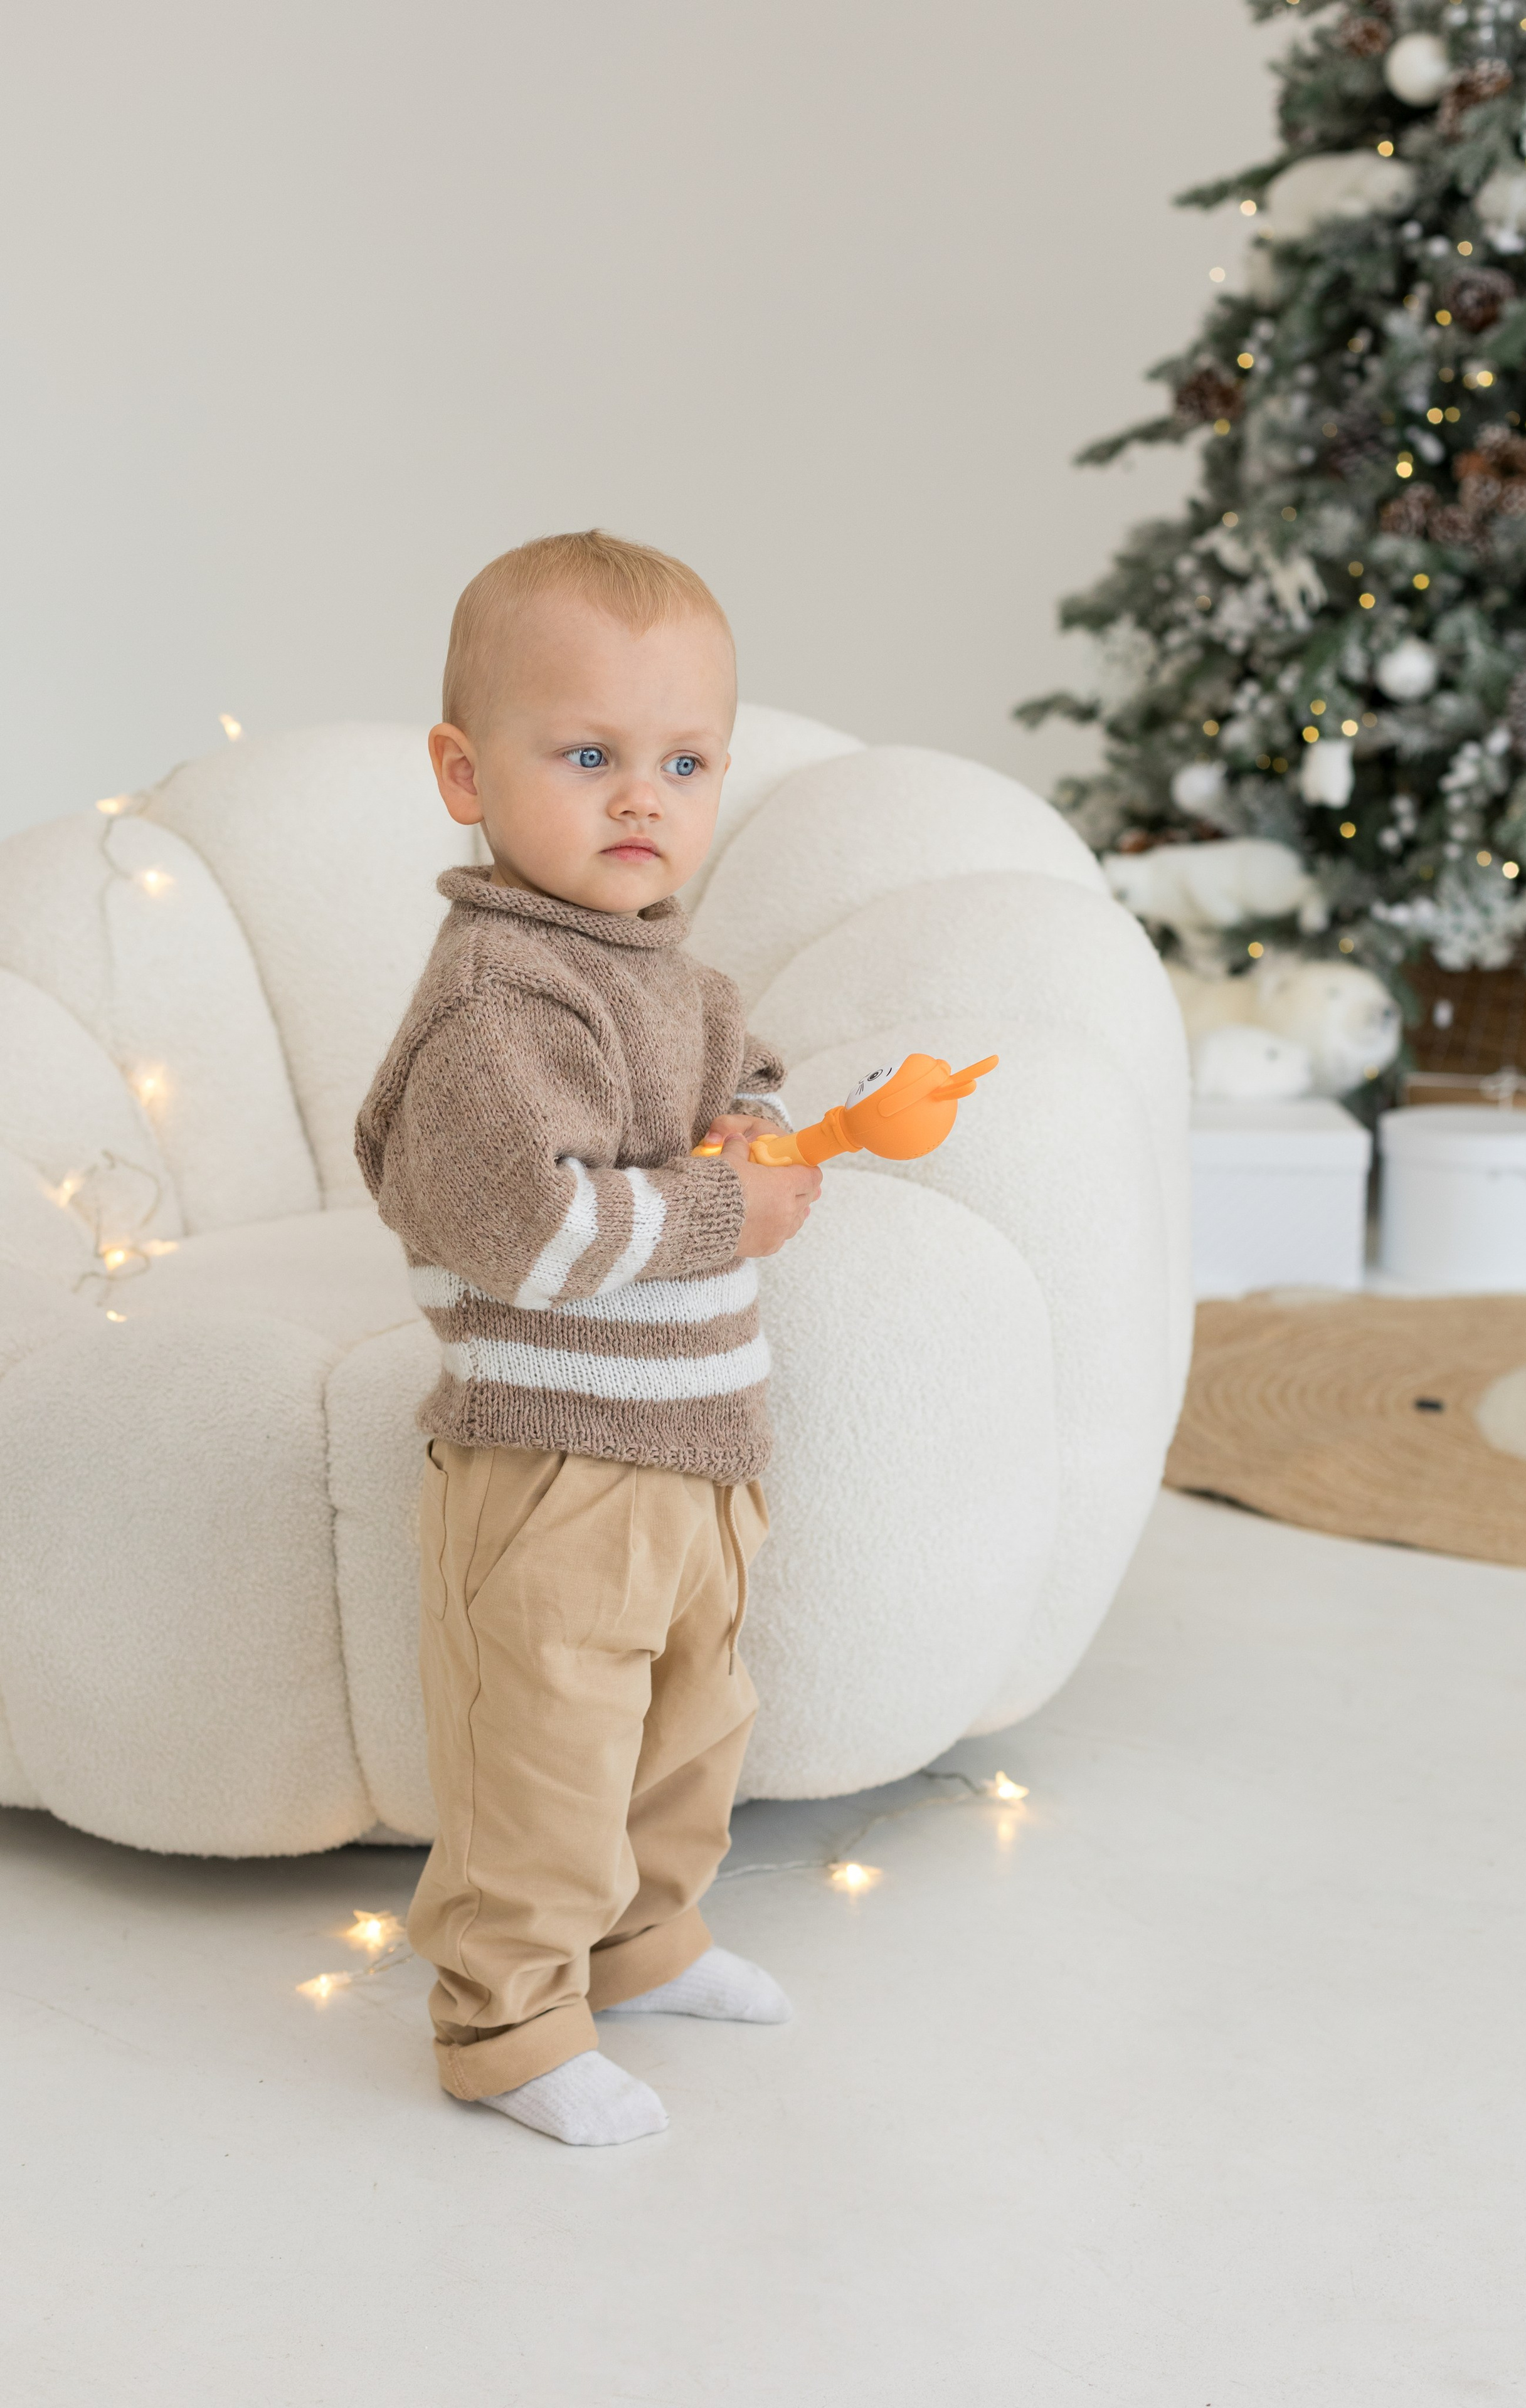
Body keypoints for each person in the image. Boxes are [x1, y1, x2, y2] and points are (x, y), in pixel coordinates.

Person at [355, 531, 820, 2146]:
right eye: (590, 756)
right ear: (463, 772)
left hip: (699, 1447)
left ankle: (644, 1939)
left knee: (693, 1727)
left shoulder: (671, 973)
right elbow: (525, 1227)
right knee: (541, 1756)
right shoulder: (498, 995)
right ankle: (506, 2022)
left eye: (684, 761)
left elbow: (732, 1087)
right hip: (553, 1458)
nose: (645, 799)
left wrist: (761, 1135)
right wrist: (723, 1213)